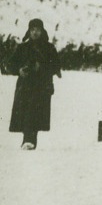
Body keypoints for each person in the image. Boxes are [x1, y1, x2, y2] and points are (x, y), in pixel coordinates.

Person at [4, 18, 62, 150]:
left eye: (38, 30)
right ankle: (28, 141)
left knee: (34, 112)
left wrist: (41, 68)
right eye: (33, 29)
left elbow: (56, 66)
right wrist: (19, 70)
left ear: (42, 31)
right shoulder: (23, 47)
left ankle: (29, 141)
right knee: (25, 112)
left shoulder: (49, 48)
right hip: (24, 86)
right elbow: (9, 65)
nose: (35, 32)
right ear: (29, 31)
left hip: (42, 86)